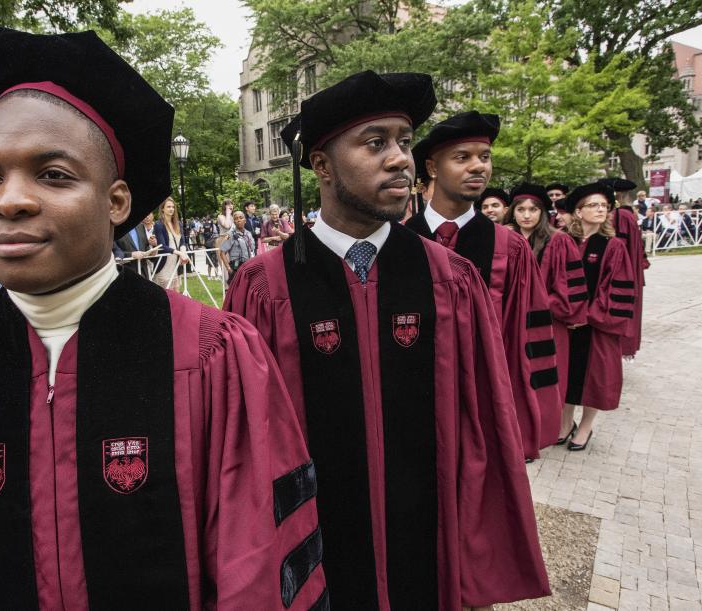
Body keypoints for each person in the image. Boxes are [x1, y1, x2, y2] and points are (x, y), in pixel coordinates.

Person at [0, 25, 324, 611]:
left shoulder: (211, 356)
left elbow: (259, 569)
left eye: (53, 174)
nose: (9, 200)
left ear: (116, 201)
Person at [226, 70, 548, 610]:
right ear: (322, 165)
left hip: (429, 546)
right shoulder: (265, 287)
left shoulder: (450, 280)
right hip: (314, 561)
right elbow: (245, 452)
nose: (399, 158)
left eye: (402, 141)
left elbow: (482, 431)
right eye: (375, 143)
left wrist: (476, 559)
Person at [405, 111, 561, 460]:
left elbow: (527, 337)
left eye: (485, 157)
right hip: (412, 406)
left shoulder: (510, 248)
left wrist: (525, 417)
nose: (478, 167)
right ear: (432, 168)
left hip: (484, 409)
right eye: (463, 157)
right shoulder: (399, 242)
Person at [503, 184, 588, 437]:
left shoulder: (559, 241)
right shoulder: (504, 240)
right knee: (514, 378)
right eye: (520, 209)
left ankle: (539, 434)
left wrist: (533, 303)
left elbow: (568, 291)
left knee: (543, 380)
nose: (526, 215)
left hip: (546, 326)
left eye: (533, 209)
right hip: (512, 324)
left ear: (542, 212)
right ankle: (518, 434)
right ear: (513, 212)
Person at [557, 183, 634, 451]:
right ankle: (565, 423)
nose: (601, 209)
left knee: (595, 380)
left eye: (604, 205)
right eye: (594, 205)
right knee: (567, 374)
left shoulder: (613, 246)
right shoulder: (564, 241)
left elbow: (617, 288)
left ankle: (586, 427)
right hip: (567, 323)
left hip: (597, 326)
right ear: (578, 212)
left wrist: (588, 316)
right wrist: (566, 312)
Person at [598, 177, 648, 359]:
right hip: (629, 270)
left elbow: (619, 248)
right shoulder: (629, 215)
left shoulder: (620, 216)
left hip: (620, 272)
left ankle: (618, 349)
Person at [152, 197, 190, 290]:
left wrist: (183, 252)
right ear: (162, 209)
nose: (171, 209)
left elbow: (182, 242)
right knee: (166, 295)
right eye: (168, 207)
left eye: (173, 207)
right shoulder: (158, 224)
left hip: (176, 264)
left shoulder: (178, 223)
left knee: (176, 293)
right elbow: (163, 246)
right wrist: (180, 253)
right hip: (164, 265)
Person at [219, 210, 256, 282]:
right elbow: (222, 252)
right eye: (236, 218)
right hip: (236, 266)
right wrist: (229, 269)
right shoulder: (230, 234)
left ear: (245, 220)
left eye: (241, 218)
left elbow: (252, 249)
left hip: (248, 265)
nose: (238, 220)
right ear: (234, 222)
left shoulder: (248, 234)